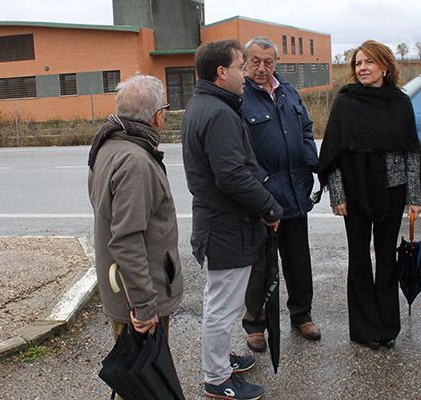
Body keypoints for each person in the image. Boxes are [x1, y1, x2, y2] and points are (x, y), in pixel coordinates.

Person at [182, 39, 283, 400]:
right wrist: (270, 207)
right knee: (222, 308)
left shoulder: (206, 104)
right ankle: (217, 378)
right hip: (226, 227)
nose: (245, 74)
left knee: (221, 302)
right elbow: (232, 176)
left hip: (221, 224)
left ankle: (221, 359)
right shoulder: (218, 113)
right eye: (241, 66)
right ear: (222, 72)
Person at [317, 40, 421, 350]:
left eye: (369, 62)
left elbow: (411, 151)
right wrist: (337, 196)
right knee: (359, 258)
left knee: (387, 257)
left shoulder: (400, 102)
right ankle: (364, 329)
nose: (362, 68)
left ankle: (387, 327)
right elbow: (332, 154)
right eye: (358, 63)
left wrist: (414, 197)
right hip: (355, 191)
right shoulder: (345, 102)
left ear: (385, 67)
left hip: (392, 190)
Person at [87, 75, 183, 345]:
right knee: (145, 379)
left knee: (136, 376)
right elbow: (127, 240)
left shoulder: (109, 145)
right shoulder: (135, 162)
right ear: (157, 117)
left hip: (125, 292)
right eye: (163, 109)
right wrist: (144, 307)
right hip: (138, 299)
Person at [240, 36, 321, 352]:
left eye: (268, 61)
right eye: (255, 61)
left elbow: (305, 129)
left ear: (276, 63)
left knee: (299, 260)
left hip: (295, 191)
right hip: (263, 197)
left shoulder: (288, 91)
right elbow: (242, 150)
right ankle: (256, 325)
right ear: (245, 62)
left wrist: (308, 164)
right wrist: (262, 184)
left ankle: (301, 315)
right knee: (260, 265)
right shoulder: (241, 98)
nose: (262, 68)